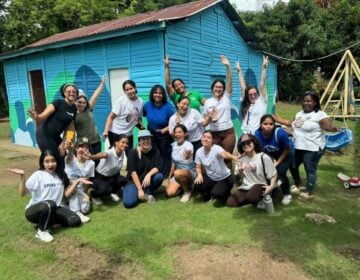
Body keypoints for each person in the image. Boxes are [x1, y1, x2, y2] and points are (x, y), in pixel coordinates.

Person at [7, 150, 84, 242]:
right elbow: (22, 193)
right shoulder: (38, 175)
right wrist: (22, 177)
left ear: (57, 161)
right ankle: (41, 231)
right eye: (47, 161)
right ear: (42, 163)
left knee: (75, 221)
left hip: (54, 208)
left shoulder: (61, 175)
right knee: (49, 204)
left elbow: (65, 195)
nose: (50, 164)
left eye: (53, 161)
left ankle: (47, 223)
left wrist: (77, 182)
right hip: (35, 211)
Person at [274, 91, 339, 199]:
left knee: (310, 169)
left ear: (315, 102)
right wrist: (276, 118)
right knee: (292, 165)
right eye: (304, 101)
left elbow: (328, 127)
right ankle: (299, 183)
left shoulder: (320, 115)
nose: (306, 103)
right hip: (298, 146)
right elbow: (291, 123)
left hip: (313, 148)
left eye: (309, 101)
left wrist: (333, 128)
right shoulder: (299, 114)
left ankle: (309, 192)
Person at [27, 83, 78, 168]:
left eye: (74, 92)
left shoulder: (74, 109)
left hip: (55, 136)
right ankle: (43, 175)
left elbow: (70, 129)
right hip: (44, 134)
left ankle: (60, 178)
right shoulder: (57, 103)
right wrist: (36, 116)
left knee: (62, 155)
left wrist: (64, 142)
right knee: (51, 157)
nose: (71, 93)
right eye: (69, 91)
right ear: (64, 93)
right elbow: (42, 117)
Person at [226, 134, 277, 208]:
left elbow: (273, 174)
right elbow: (237, 181)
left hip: (260, 184)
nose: (246, 145)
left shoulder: (263, 157)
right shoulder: (241, 159)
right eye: (243, 144)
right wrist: (240, 173)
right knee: (230, 202)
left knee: (252, 197)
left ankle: (261, 199)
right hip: (246, 186)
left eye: (249, 142)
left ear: (254, 143)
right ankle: (251, 200)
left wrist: (271, 187)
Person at [203, 55, 236, 167]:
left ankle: (227, 181)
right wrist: (210, 118)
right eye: (216, 87)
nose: (218, 89)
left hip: (228, 132)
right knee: (215, 157)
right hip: (214, 133)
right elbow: (205, 122)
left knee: (227, 158)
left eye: (221, 87)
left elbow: (230, 83)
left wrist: (228, 67)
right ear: (212, 88)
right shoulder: (208, 102)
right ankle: (216, 179)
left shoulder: (226, 97)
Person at [254, 114, 294, 205]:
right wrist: (270, 160)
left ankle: (287, 194)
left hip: (286, 153)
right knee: (267, 171)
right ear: (260, 125)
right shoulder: (257, 134)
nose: (268, 126)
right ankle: (273, 190)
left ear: (274, 125)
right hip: (272, 154)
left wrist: (277, 162)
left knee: (280, 172)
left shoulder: (280, 134)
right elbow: (259, 149)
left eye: (271, 124)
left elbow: (287, 150)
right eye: (265, 124)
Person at [123, 130, 164, 208]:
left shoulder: (155, 151)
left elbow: (158, 167)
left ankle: (148, 192)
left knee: (159, 177)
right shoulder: (133, 152)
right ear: (139, 141)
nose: (146, 141)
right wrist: (139, 189)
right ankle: (140, 192)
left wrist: (149, 174)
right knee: (129, 203)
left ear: (150, 140)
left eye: (148, 139)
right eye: (143, 139)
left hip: (146, 181)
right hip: (133, 182)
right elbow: (132, 172)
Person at [194, 130, 238, 203]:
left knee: (217, 194)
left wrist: (233, 157)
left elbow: (224, 154)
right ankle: (209, 194)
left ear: (212, 141)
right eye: (204, 137)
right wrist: (199, 174)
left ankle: (226, 193)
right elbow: (198, 167)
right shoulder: (199, 151)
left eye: (209, 138)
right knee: (197, 185)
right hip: (211, 178)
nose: (205, 139)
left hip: (225, 178)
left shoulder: (216, 148)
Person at [102, 80, 144, 150]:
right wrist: (106, 131)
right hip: (115, 133)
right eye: (127, 90)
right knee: (115, 155)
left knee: (129, 155)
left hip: (129, 134)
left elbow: (139, 117)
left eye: (131, 88)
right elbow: (111, 117)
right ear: (124, 91)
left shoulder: (141, 102)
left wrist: (141, 127)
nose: (129, 91)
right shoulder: (121, 101)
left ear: (135, 88)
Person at [143, 84, 175, 176]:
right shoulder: (147, 105)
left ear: (163, 95)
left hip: (165, 135)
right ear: (152, 94)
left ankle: (166, 173)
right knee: (155, 153)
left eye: (160, 93)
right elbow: (140, 117)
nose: (158, 95)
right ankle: (156, 172)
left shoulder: (168, 106)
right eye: (155, 93)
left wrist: (164, 130)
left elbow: (173, 122)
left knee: (165, 154)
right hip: (152, 134)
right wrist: (142, 129)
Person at [88, 134, 128, 205]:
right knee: (105, 189)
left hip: (112, 176)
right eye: (123, 142)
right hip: (99, 177)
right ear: (116, 143)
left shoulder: (122, 152)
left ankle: (112, 193)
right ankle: (93, 195)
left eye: (126, 143)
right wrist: (91, 157)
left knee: (123, 179)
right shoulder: (110, 152)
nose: (125, 145)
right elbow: (103, 154)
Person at [236, 55, 269, 134]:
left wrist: (264, 68)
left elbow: (262, 84)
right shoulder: (245, 103)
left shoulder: (262, 101)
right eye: (250, 94)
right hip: (246, 134)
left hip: (259, 134)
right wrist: (239, 71)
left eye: (254, 94)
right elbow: (243, 87)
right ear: (247, 95)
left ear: (258, 94)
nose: (253, 96)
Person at [64, 137, 95, 223]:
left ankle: (68, 208)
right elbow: (69, 154)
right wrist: (69, 149)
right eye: (81, 147)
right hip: (69, 189)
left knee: (85, 209)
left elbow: (87, 181)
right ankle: (77, 213)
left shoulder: (91, 163)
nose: (84, 149)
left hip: (80, 191)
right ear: (76, 149)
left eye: (86, 147)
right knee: (73, 189)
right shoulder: (70, 159)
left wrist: (84, 194)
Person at [75, 75, 106, 154]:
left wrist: (102, 84)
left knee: (96, 161)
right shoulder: (72, 114)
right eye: (79, 102)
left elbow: (95, 95)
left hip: (96, 140)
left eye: (84, 102)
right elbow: (69, 130)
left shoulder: (88, 108)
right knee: (87, 162)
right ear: (75, 102)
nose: (82, 104)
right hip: (84, 143)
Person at [166, 124, 195, 203]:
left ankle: (187, 191)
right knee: (169, 193)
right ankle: (185, 186)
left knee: (177, 173)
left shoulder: (189, 145)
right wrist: (169, 178)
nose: (177, 134)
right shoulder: (173, 145)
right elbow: (173, 164)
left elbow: (188, 153)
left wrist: (187, 155)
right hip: (177, 173)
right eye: (176, 132)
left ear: (185, 134)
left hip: (189, 172)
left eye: (180, 132)